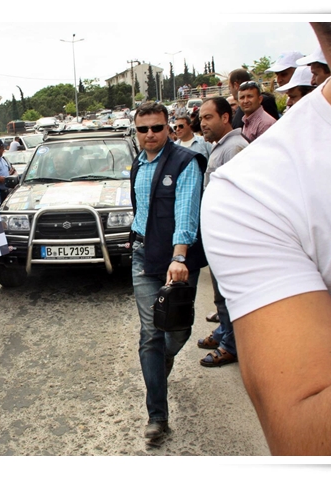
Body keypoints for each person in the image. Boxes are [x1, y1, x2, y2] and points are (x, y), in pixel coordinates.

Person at [201, 22, 331, 455]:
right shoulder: (254, 188)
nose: (287, 93)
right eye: (285, 87)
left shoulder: (251, 142)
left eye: (291, 86)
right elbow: (306, 436)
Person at [129, 101, 206, 444]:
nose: (150, 134)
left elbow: (186, 211)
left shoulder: (186, 162)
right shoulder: (137, 165)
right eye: (143, 129)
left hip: (177, 260)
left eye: (157, 128)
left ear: (170, 128)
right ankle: (157, 416)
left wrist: (179, 257)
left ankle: (164, 361)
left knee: (176, 331)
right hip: (143, 258)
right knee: (151, 334)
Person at [196, 96, 249, 367]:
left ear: (226, 117)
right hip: (218, 232)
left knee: (227, 293)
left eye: (208, 117)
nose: (202, 123)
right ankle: (224, 332)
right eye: (202, 118)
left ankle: (231, 344)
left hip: (230, 236)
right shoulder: (220, 147)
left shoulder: (235, 147)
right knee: (219, 293)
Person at [0, 139, 16, 203]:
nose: (3, 150)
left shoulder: (3, 159)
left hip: (7, 191)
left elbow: (12, 169)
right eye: (2, 148)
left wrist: (12, 173)